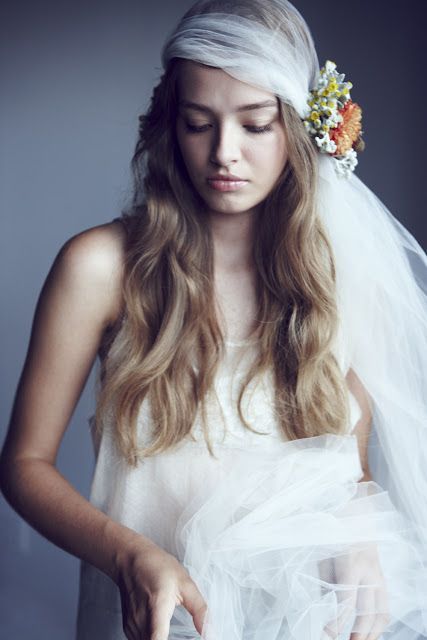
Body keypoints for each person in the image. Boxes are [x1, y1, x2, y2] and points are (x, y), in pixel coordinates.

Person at [1, 0, 427, 639]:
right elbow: (24, 464)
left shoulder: (335, 277)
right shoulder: (99, 268)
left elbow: (347, 466)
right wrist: (129, 554)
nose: (224, 153)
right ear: (171, 125)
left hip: (301, 617)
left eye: (256, 125)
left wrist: (360, 529)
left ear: (301, 131)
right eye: (200, 122)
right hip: (156, 621)